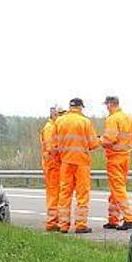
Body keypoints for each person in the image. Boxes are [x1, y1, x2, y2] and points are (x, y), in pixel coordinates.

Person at [53, 97, 99, 233]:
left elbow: (53, 144)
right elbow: (93, 144)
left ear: (70, 107)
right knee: (82, 195)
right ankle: (80, 225)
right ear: (80, 107)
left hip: (65, 162)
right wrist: (99, 140)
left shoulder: (59, 121)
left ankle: (63, 225)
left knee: (64, 194)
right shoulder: (85, 122)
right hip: (81, 163)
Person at [100, 95, 132, 230]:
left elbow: (109, 139)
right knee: (116, 189)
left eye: (107, 105)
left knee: (118, 189)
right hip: (125, 156)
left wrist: (99, 140)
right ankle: (113, 219)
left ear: (110, 104)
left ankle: (129, 218)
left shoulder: (112, 119)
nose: (106, 108)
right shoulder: (129, 118)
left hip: (114, 157)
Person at [40, 105, 63, 231]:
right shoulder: (50, 128)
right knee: (54, 194)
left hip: (54, 165)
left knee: (56, 194)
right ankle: (52, 222)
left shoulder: (54, 127)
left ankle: (55, 221)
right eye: (60, 114)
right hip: (52, 165)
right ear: (54, 115)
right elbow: (51, 149)